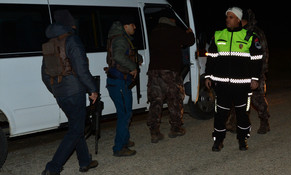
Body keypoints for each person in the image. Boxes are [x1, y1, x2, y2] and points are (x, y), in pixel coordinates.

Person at [41, 10, 98, 174]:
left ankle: (85, 161)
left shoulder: (50, 44)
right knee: (76, 130)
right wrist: (92, 89)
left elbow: (44, 74)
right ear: (69, 24)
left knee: (76, 125)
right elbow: (81, 69)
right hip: (75, 91)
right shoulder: (72, 40)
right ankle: (53, 167)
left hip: (60, 93)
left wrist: (55, 90)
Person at [205, 7, 263, 151]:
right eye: (227, 17)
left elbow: (257, 59)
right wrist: (208, 76)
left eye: (231, 17)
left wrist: (255, 79)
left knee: (242, 114)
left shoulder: (250, 36)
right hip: (222, 84)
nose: (228, 19)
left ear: (238, 19)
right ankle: (218, 140)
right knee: (220, 114)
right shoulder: (218, 35)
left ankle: (242, 139)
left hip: (242, 85)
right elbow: (211, 57)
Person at [147, 11, 195, 143]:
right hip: (170, 72)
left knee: (155, 101)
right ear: (170, 20)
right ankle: (176, 128)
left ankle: (154, 131)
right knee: (174, 99)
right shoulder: (174, 30)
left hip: (154, 71)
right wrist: (190, 32)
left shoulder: (154, 32)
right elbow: (190, 41)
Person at [226, 9, 271, 134]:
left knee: (257, 99)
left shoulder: (255, 32)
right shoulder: (236, 32)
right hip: (239, 72)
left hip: (254, 71)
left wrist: (260, 72)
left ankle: (264, 122)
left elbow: (263, 52)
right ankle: (235, 122)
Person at [105, 16, 142, 157]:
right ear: (126, 26)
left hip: (118, 82)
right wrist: (133, 66)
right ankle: (119, 148)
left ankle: (125, 140)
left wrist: (137, 58)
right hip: (119, 82)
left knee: (126, 113)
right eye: (133, 24)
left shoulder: (118, 38)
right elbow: (118, 56)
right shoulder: (121, 39)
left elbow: (125, 54)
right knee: (124, 115)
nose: (135, 27)